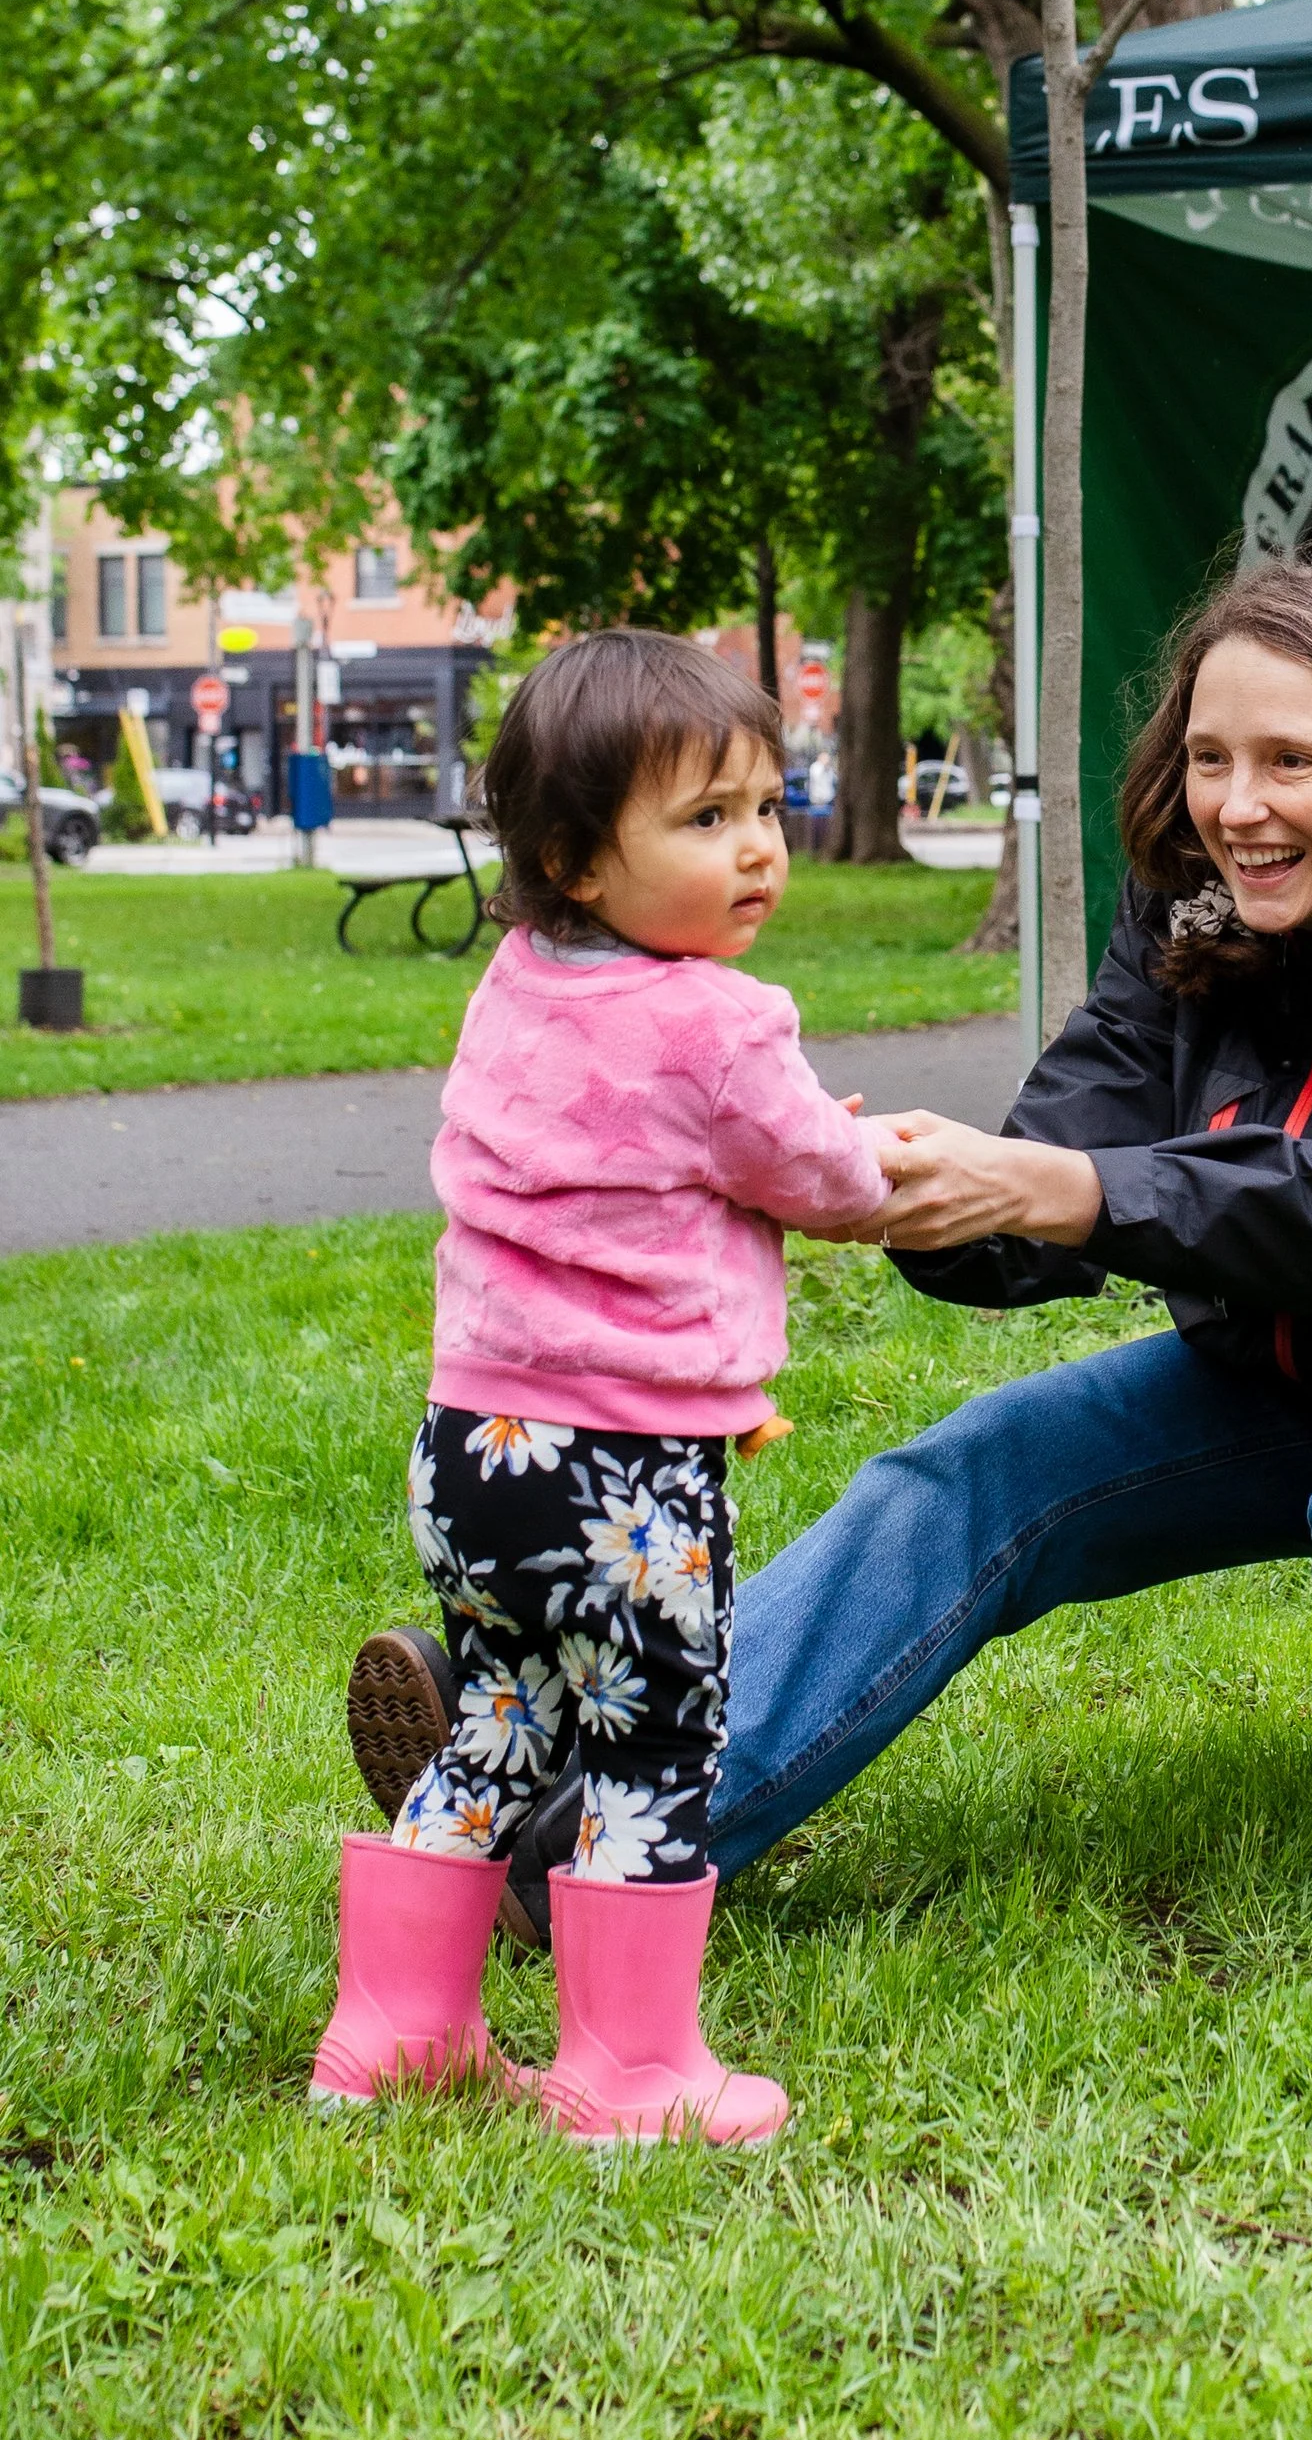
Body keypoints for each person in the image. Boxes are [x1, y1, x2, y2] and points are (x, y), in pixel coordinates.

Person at [350, 549, 1312, 1919]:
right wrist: (887, 1186)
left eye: (1290, 762)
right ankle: (566, 1844)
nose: (1236, 807)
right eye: (1209, 758)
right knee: (962, 1477)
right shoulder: (1197, 905)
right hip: (1298, 1376)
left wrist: (1057, 1186)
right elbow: (1056, 1158)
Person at [311, 630, 894, 2142]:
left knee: (501, 1712)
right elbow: (822, 1176)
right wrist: (865, 1154)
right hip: (624, 1468)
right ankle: (630, 2069)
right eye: (706, 820)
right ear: (574, 856)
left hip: (471, 1452)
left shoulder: (514, 981)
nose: (760, 848)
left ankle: (394, 2031)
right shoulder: (719, 1021)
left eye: (768, 806)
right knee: (655, 1732)